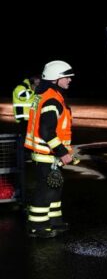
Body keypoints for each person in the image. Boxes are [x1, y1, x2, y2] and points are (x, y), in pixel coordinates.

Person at [24, 61, 77, 238]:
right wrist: (63, 152)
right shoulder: (52, 98)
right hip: (47, 154)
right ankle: (37, 226)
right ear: (56, 79)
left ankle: (55, 222)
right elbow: (46, 131)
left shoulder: (48, 94)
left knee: (54, 188)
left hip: (48, 154)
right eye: (66, 77)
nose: (69, 80)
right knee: (45, 190)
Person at [12, 76, 39, 167]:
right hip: (23, 119)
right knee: (23, 140)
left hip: (30, 119)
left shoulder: (30, 89)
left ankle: (26, 157)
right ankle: (20, 159)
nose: (38, 85)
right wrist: (33, 91)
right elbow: (22, 96)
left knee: (28, 139)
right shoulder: (21, 87)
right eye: (37, 83)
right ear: (33, 81)